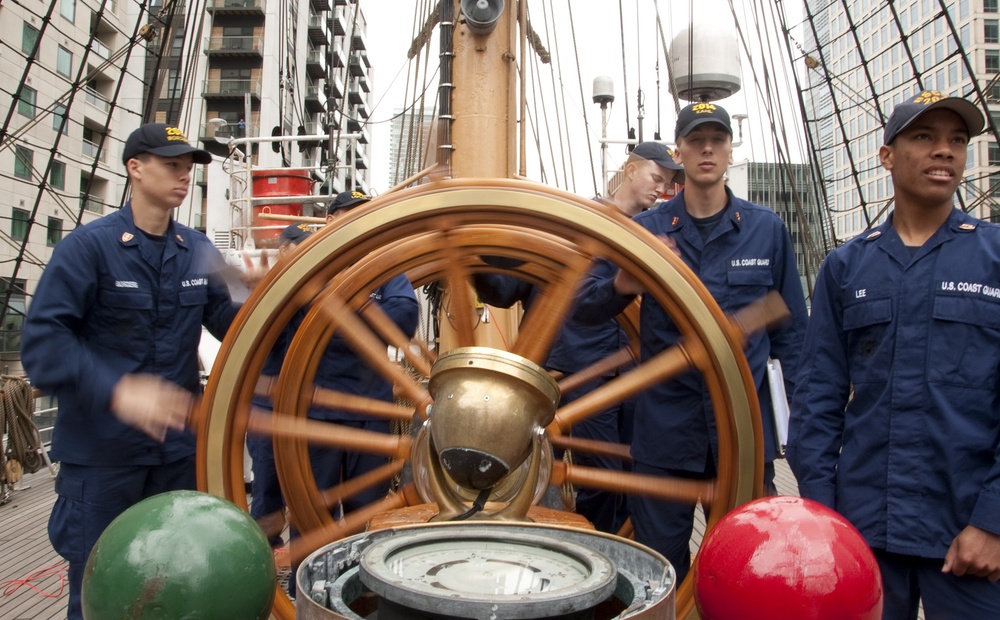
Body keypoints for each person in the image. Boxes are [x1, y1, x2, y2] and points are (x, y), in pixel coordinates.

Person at [574, 102, 807, 583]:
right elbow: (584, 309)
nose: (707, 148)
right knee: (658, 576)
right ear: (678, 151)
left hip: (743, 437)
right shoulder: (645, 232)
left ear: (728, 149)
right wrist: (624, 282)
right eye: (696, 139)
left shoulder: (767, 230)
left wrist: (799, 434)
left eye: (716, 139)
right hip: (665, 438)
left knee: (747, 575)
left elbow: (794, 340)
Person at [787, 90, 1000, 616]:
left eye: (957, 141)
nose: (944, 151)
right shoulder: (846, 268)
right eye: (925, 137)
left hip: (967, 531)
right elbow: (817, 398)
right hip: (864, 530)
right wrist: (822, 518)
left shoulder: (994, 258)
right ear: (887, 155)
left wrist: (994, 522)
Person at [20, 123, 241, 619]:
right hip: (103, 457)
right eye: (172, 166)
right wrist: (119, 390)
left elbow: (236, 323)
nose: (184, 177)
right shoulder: (87, 248)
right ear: (135, 169)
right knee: (99, 590)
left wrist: (292, 299)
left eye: (188, 169)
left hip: (176, 456)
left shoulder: (200, 249)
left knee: (181, 581)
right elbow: (43, 344)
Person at [473, 142, 683, 533]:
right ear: (631, 170)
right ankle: (598, 552)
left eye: (669, 184)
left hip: (631, 375)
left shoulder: (654, 234)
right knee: (600, 477)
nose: (661, 190)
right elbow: (507, 287)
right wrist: (476, 255)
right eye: (657, 177)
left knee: (629, 472)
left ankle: (618, 555)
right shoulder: (568, 223)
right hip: (579, 373)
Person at [287, 190, 419, 597]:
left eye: (365, 217)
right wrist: (363, 318)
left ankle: (359, 593)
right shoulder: (307, 269)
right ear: (331, 222)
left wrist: (340, 309)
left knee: (367, 511)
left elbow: (405, 318)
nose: (358, 226)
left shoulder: (386, 271)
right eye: (349, 217)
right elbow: (289, 328)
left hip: (369, 412)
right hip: (319, 412)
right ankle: (303, 594)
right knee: (314, 513)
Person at [247, 223, 314, 549]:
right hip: (268, 409)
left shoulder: (310, 290)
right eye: (297, 246)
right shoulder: (266, 289)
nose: (302, 253)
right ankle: (265, 565)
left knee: (305, 490)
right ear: (283, 250)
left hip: (303, 408)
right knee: (268, 490)